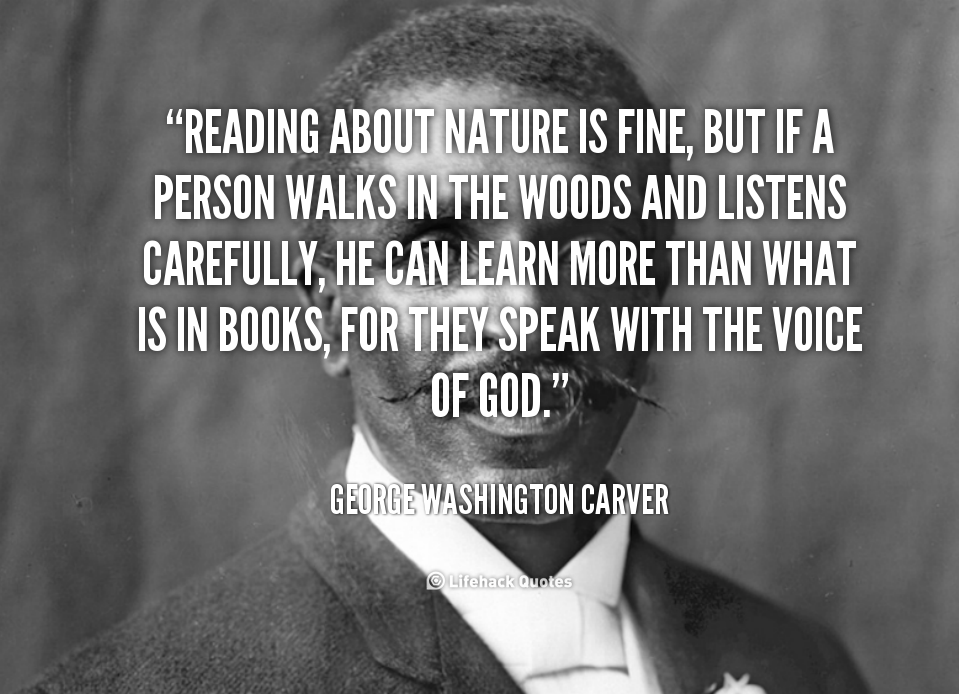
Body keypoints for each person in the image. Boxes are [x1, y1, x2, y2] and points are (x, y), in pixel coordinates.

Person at [21, 6, 869, 693]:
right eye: (435, 251)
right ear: (331, 314)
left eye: (586, 245)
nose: (524, 315)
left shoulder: (803, 666)